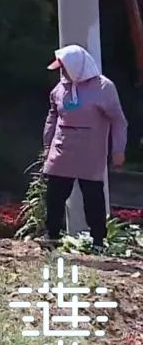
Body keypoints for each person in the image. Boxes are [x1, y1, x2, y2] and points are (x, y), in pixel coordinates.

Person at [41, 44, 128, 252]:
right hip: (62, 148)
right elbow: (52, 117)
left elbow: (118, 121)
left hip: (90, 150)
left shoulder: (104, 88)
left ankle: (98, 240)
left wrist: (118, 150)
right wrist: (47, 145)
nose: (62, 73)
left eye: (64, 68)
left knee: (93, 196)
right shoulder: (60, 89)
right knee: (54, 195)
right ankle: (51, 236)